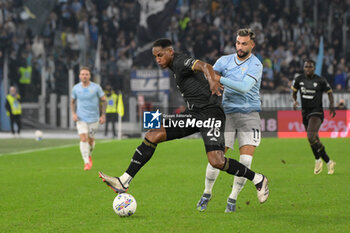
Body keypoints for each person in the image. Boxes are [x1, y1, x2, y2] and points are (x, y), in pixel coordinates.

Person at [98, 38, 269, 205]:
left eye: (160, 55)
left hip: (210, 114)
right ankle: (124, 181)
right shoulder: (174, 66)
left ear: (170, 52)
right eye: (155, 57)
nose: (158, 60)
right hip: (193, 114)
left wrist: (211, 82)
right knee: (153, 134)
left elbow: (205, 66)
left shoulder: (180, 61)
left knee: (216, 161)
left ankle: (258, 179)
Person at [197, 28, 264, 213]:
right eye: (238, 43)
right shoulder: (224, 61)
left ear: (252, 45)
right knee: (216, 158)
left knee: (246, 162)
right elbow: (208, 74)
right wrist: (210, 80)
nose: (240, 47)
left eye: (244, 44)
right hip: (225, 114)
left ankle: (232, 198)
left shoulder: (256, 65)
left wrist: (219, 78)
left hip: (249, 115)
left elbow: (243, 87)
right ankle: (207, 192)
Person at [291, 59, 336, 175]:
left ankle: (317, 160)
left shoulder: (320, 80)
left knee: (310, 136)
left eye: (310, 67)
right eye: (306, 67)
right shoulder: (299, 79)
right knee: (314, 139)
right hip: (305, 112)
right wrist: (294, 101)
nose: (308, 69)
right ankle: (329, 161)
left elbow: (330, 92)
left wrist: (332, 105)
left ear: (314, 68)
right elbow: (294, 93)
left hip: (317, 112)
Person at [71, 66, 106, 170]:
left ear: (90, 76)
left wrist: (103, 115)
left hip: (94, 119)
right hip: (81, 118)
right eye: (82, 74)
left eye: (86, 74)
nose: (84, 76)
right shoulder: (76, 88)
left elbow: (104, 101)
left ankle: (89, 154)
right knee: (83, 138)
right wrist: (73, 114)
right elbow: (72, 102)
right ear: (79, 76)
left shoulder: (96, 87)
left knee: (90, 141)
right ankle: (86, 162)